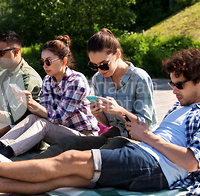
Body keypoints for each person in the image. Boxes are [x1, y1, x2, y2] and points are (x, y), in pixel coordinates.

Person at [0, 48, 200, 196]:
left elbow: (193, 163)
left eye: (179, 84)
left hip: (155, 165)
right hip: (144, 154)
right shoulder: (181, 106)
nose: (173, 89)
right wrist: (124, 124)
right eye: (171, 83)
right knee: (62, 179)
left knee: (68, 160)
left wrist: (147, 137)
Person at [0, 35, 99, 159]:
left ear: (64, 61)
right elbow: (45, 112)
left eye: (48, 61)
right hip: (60, 132)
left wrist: (33, 105)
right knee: (32, 117)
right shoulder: (48, 80)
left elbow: (59, 118)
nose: (44, 66)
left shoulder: (76, 81)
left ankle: (7, 151)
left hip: (83, 136)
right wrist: (29, 104)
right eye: (42, 62)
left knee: (42, 124)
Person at [34, 28, 157, 159]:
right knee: (67, 143)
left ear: (118, 54)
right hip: (113, 134)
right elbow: (107, 124)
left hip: (138, 138)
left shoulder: (139, 78)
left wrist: (119, 111)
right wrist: (97, 114)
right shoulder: (98, 78)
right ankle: (28, 166)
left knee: (96, 156)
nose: (99, 70)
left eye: (104, 65)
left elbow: (146, 124)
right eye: (94, 65)